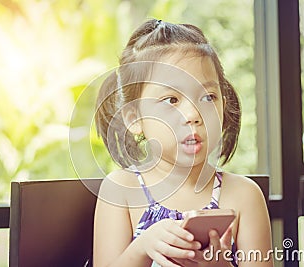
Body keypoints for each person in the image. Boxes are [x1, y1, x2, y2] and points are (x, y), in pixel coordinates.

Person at [92, 19, 272, 267]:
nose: (193, 115)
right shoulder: (121, 190)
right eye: (171, 100)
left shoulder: (244, 195)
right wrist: (143, 247)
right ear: (135, 119)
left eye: (208, 97)